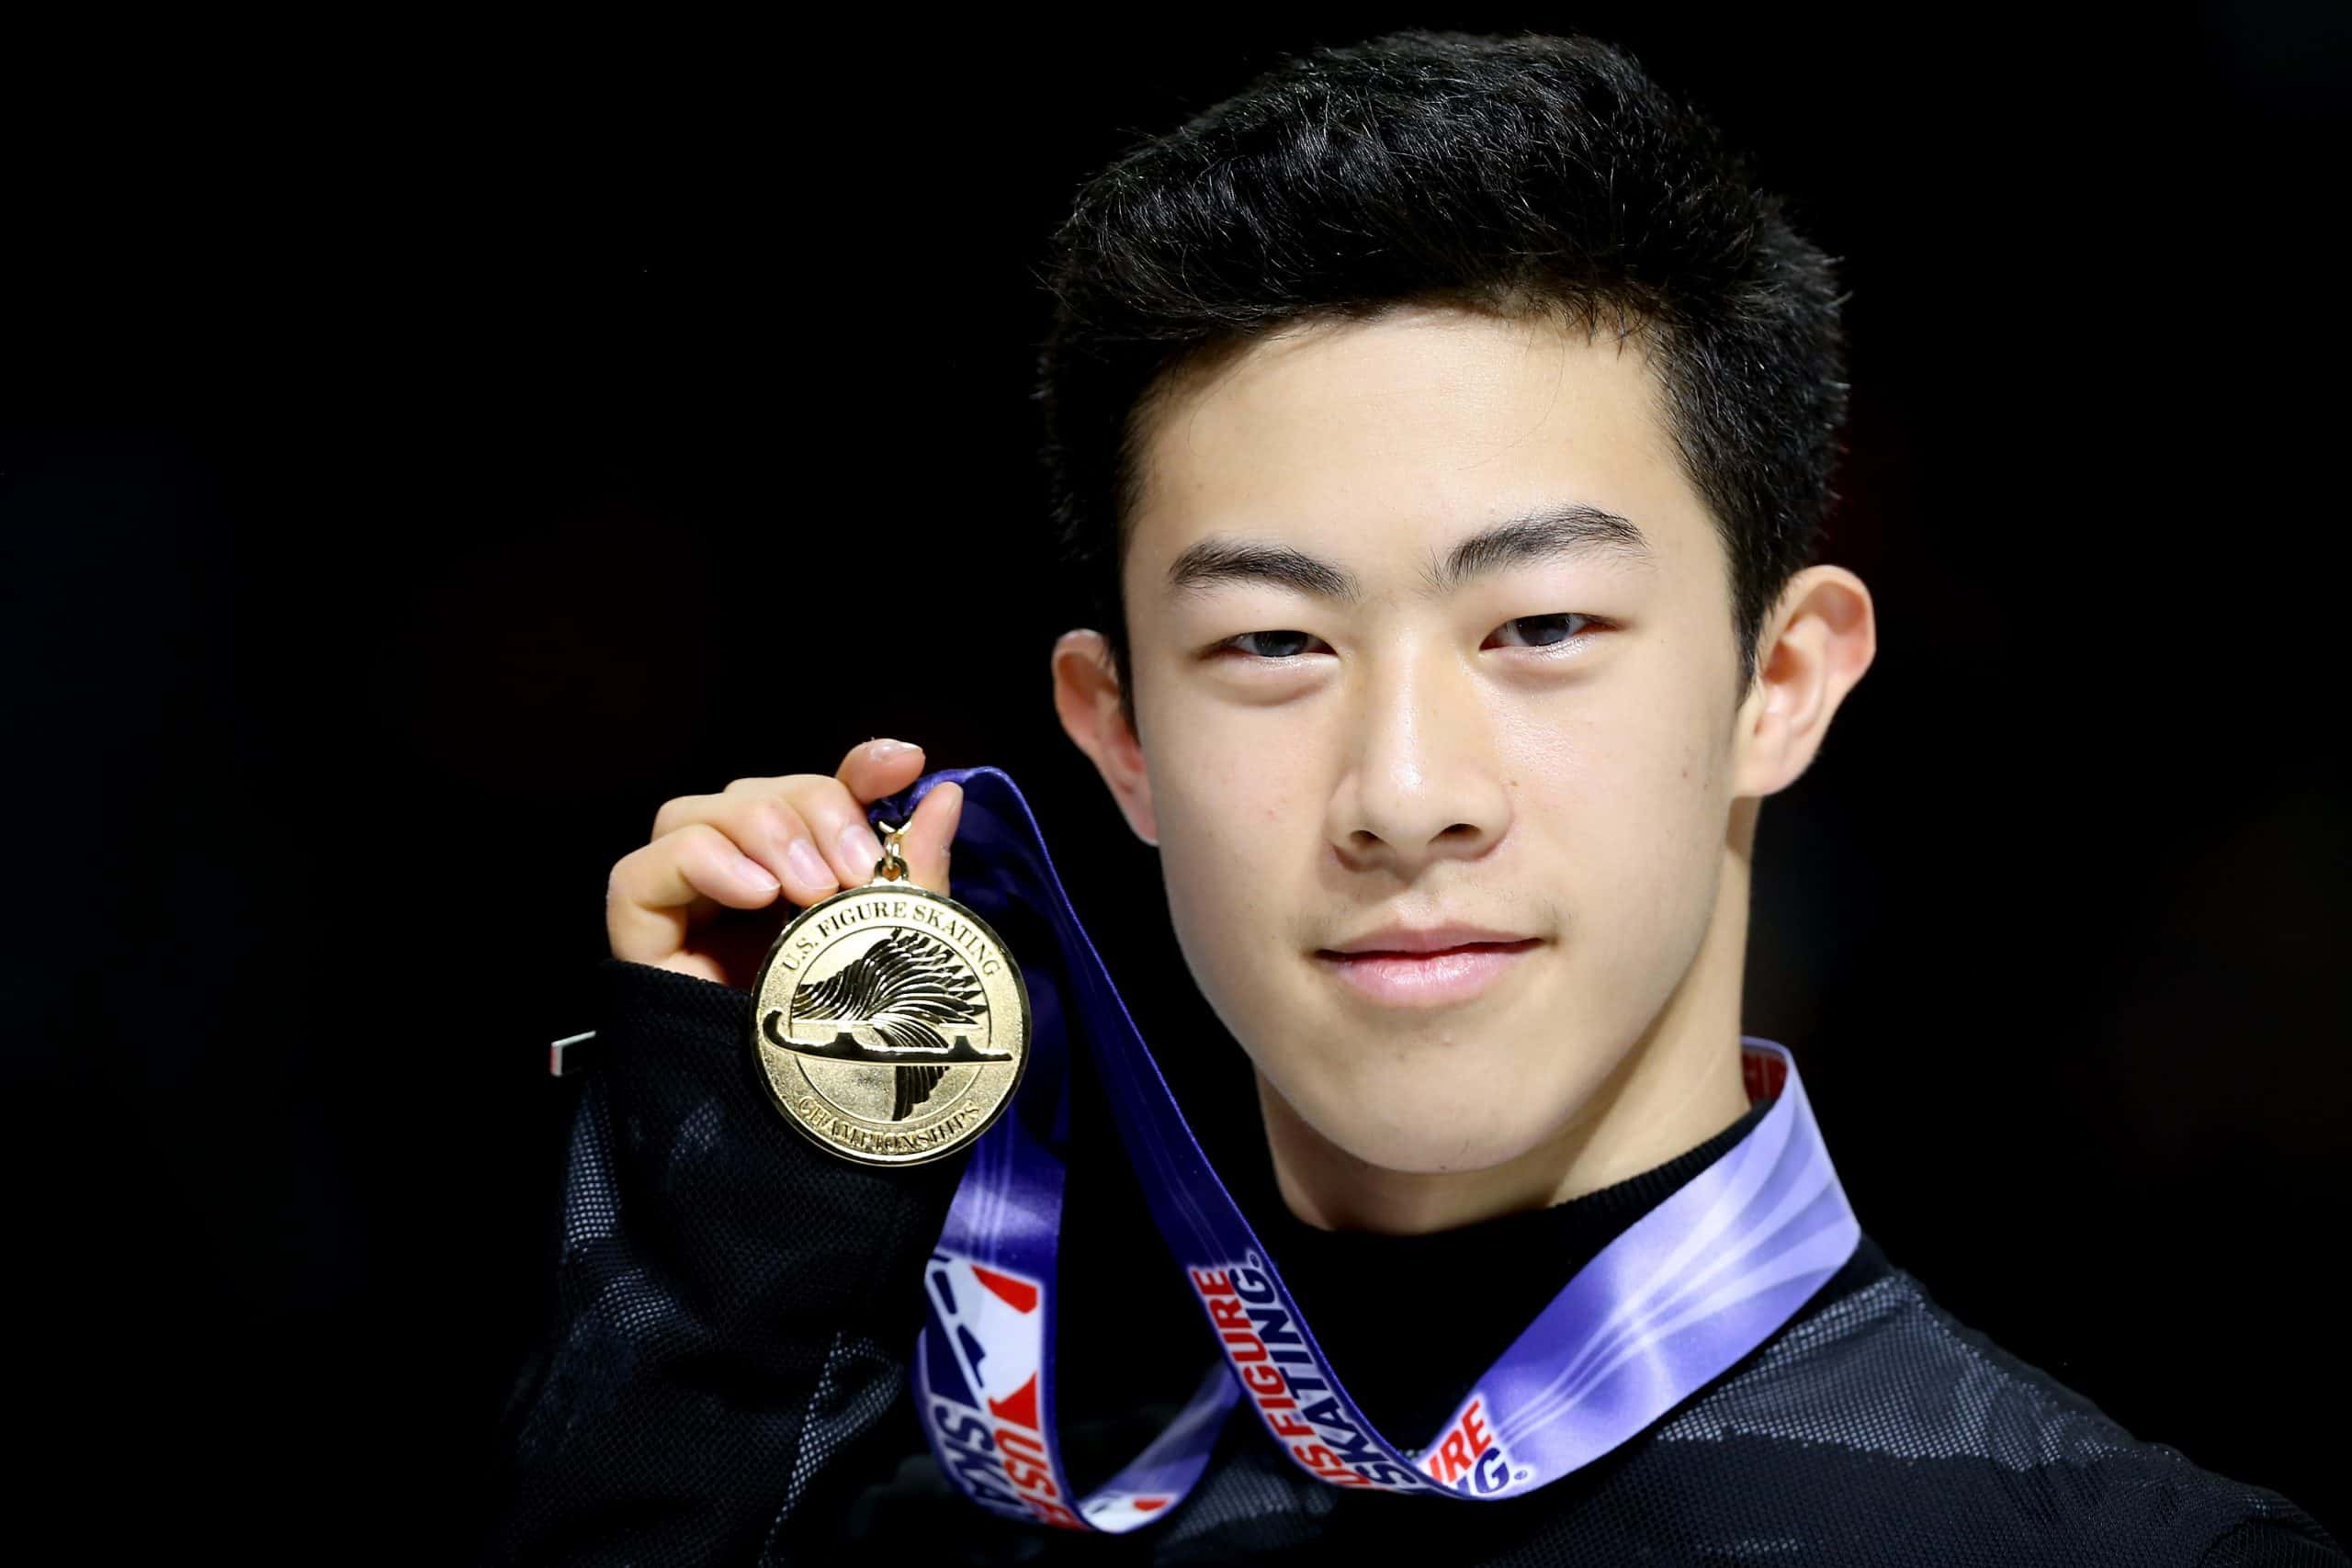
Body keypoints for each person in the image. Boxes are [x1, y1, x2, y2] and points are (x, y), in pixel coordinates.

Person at [482, 28, 2344, 1565]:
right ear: (1114, 734)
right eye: (1274, 644)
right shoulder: (960, 1519)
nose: (1399, 790)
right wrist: (720, 1204)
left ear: (1776, 681)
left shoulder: (2127, 1556)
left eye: (1536, 622)